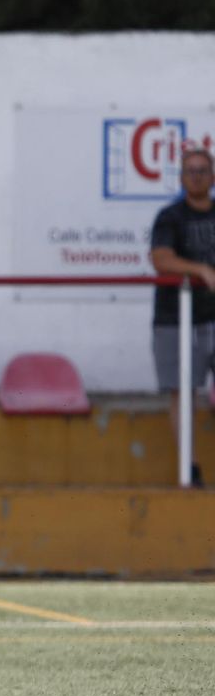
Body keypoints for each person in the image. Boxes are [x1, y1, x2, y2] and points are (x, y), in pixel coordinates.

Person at [149, 142, 215, 487]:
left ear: (213, 176)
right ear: (181, 177)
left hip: (212, 318)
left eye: (202, 170)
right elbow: (161, 260)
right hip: (176, 318)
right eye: (190, 171)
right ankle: (189, 468)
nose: (197, 177)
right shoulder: (170, 217)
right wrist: (201, 271)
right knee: (182, 391)